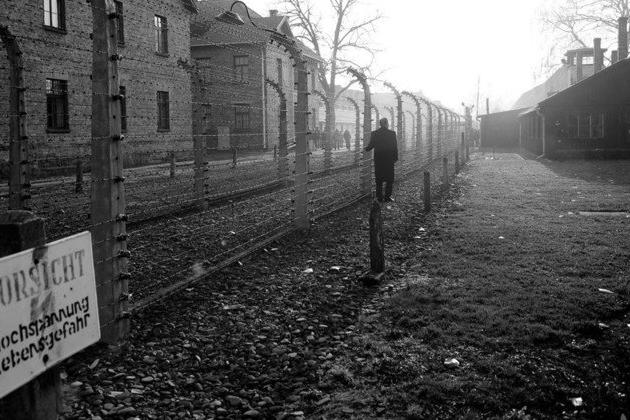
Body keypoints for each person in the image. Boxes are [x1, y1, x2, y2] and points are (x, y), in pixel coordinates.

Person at [365, 118, 398, 202]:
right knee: (389, 179)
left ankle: (379, 197)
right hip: (389, 160)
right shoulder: (392, 133)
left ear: (380, 124)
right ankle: (387, 197)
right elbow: (395, 146)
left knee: (379, 179)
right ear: (386, 124)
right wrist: (395, 158)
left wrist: (366, 148)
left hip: (379, 160)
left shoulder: (375, 133)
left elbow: (370, 146)